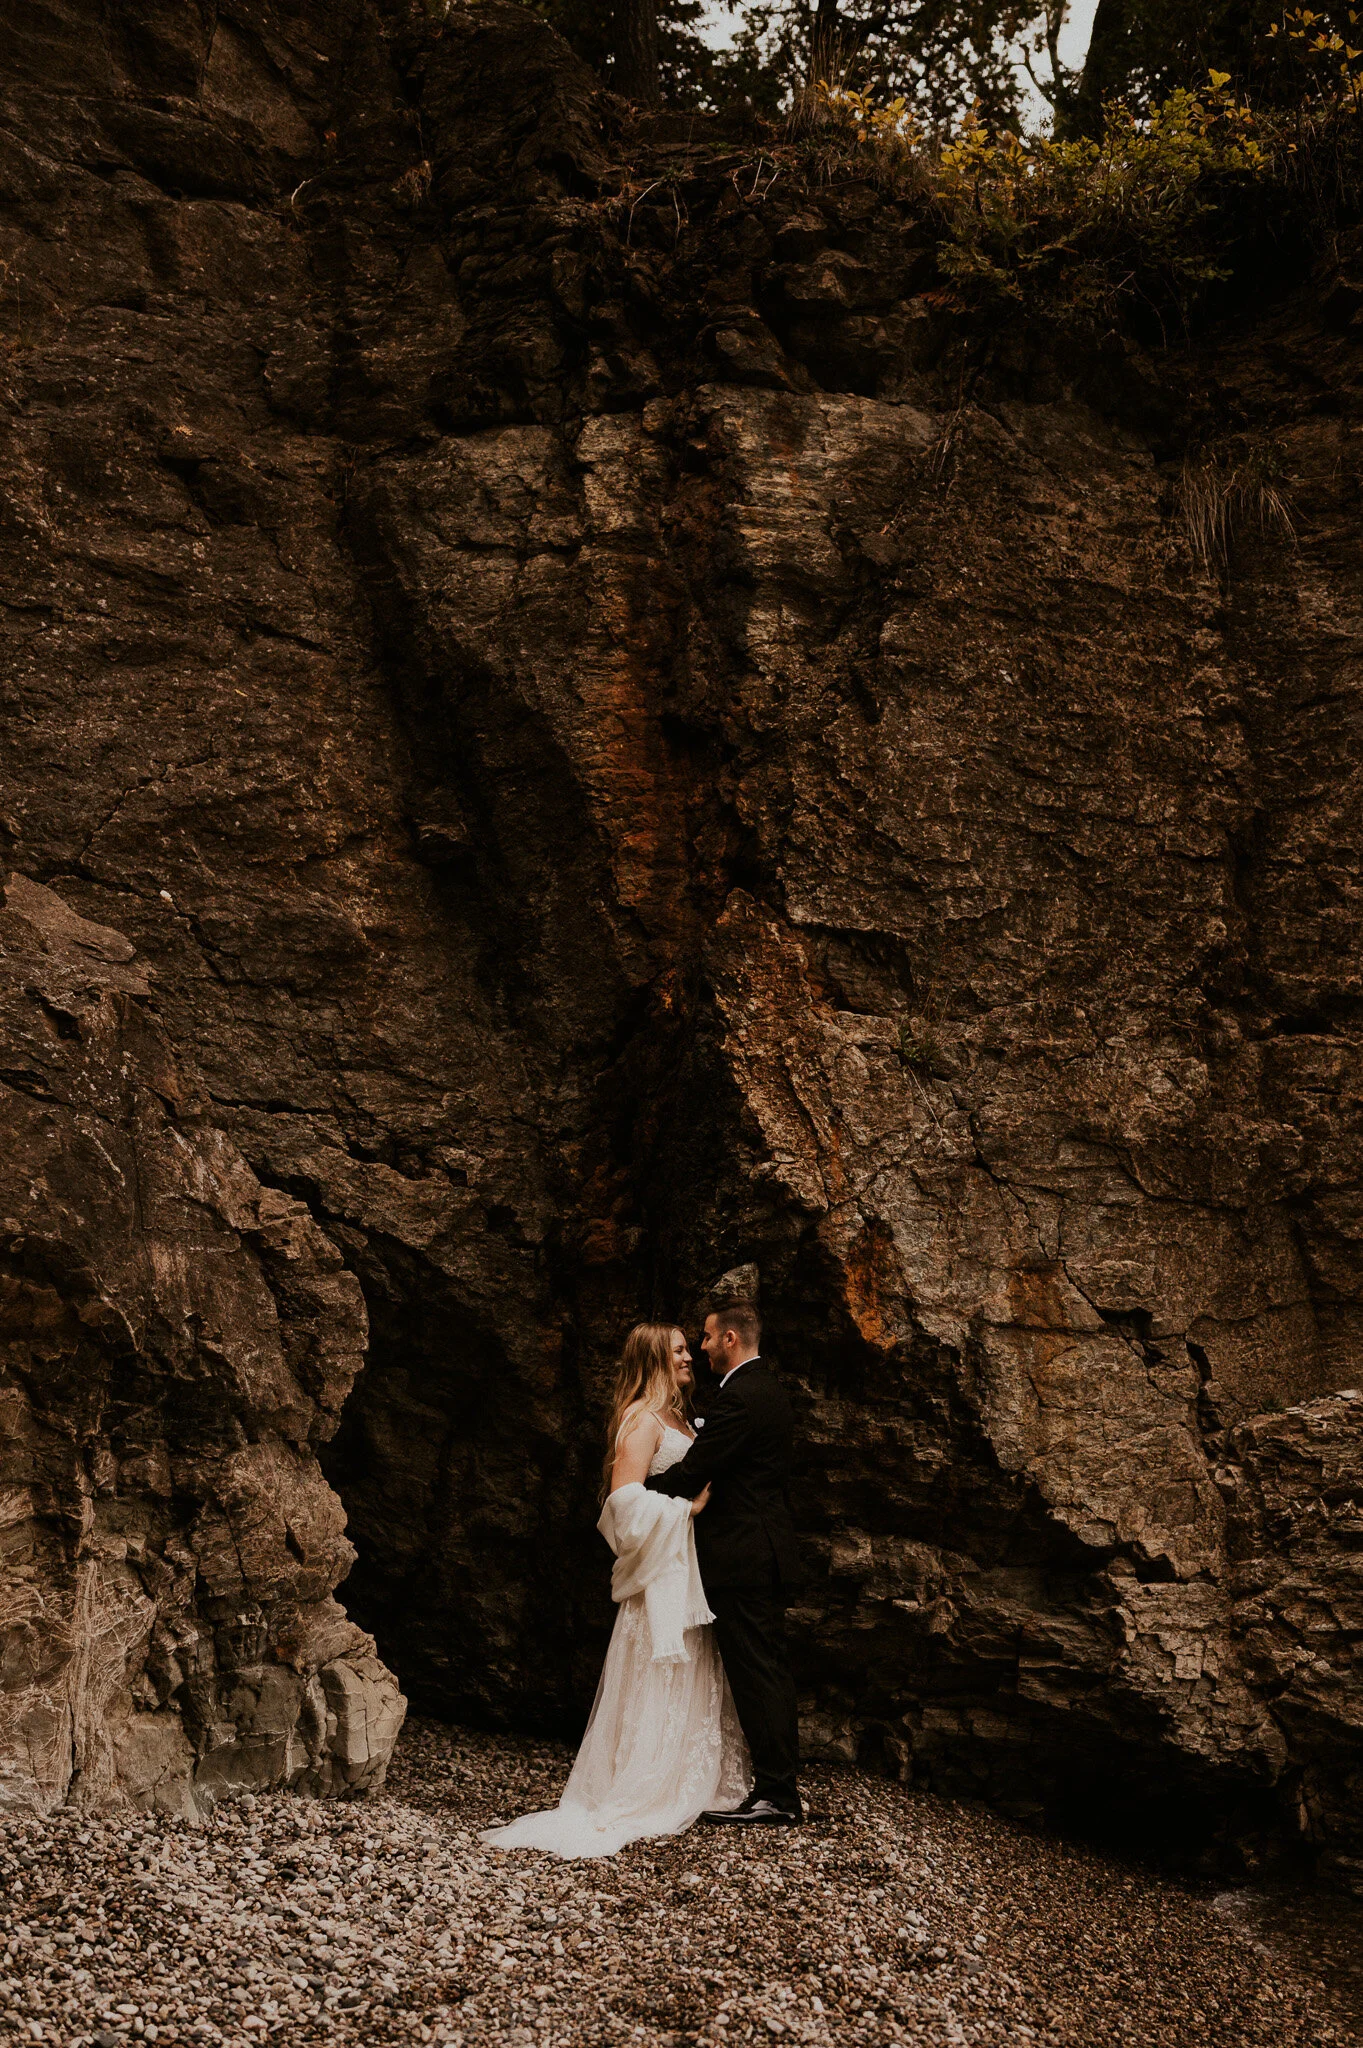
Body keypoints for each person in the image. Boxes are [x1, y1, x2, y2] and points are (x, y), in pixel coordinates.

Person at [480, 1323, 750, 1858]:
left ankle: (686, 1777)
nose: (689, 1357)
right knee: (657, 1669)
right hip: (658, 1575)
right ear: (653, 1359)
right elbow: (622, 1505)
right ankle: (643, 1784)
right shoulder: (642, 1419)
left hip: (687, 1570)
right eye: (677, 1350)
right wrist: (685, 1509)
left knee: (690, 1668)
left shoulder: (682, 1417)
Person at [644, 1298, 803, 1826]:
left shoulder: (740, 1399)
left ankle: (778, 1795)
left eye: (708, 1337)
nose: (703, 1346)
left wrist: (639, 1492)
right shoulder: (771, 1390)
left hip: (743, 1555)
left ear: (730, 1339)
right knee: (768, 1668)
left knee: (758, 1672)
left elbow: (696, 1471)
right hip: (764, 1549)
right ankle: (776, 1786)